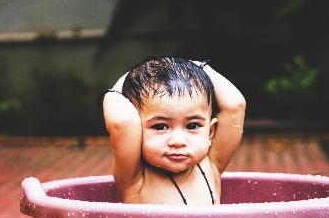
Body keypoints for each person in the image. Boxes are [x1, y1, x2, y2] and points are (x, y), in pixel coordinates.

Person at [99, 57, 245, 205]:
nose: (178, 141)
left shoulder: (211, 165)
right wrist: (118, 88)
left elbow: (235, 105)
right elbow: (123, 122)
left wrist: (196, 65)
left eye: (192, 126)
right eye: (160, 126)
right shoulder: (134, 177)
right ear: (138, 132)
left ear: (210, 132)